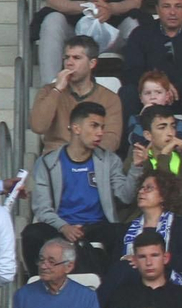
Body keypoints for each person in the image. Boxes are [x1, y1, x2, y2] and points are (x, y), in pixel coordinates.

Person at [23, 101, 133, 276]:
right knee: (32, 233)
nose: (100, 133)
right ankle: (38, 281)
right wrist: (64, 227)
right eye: (94, 126)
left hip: (95, 226)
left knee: (122, 232)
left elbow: (125, 197)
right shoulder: (47, 163)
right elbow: (41, 207)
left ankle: (112, 288)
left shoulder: (110, 160)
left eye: (102, 127)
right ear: (76, 128)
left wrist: (137, 167)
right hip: (60, 226)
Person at [31, 35, 122, 155]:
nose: (69, 63)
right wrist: (57, 89)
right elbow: (38, 127)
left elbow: (111, 140)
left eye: (76, 58)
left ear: (92, 63)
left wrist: (79, 154)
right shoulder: (49, 92)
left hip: (93, 159)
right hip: (56, 159)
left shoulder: (109, 98)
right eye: (66, 58)